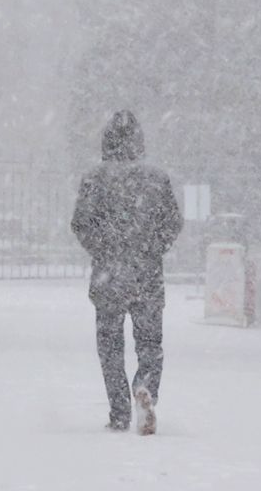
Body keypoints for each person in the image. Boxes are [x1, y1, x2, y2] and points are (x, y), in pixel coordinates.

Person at [68, 111, 183, 434]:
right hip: (146, 274)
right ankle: (145, 388)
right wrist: (151, 248)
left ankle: (119, 411)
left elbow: (80, 224)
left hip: (109, 277)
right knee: (149, 343)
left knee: (110, 346)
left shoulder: (94, 178)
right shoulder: (157, 179)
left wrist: (104, 250)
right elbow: (172, 223)